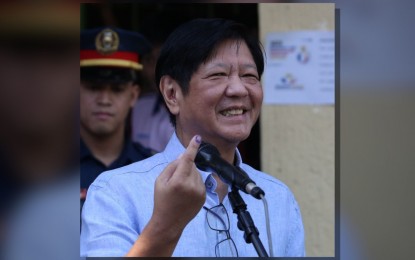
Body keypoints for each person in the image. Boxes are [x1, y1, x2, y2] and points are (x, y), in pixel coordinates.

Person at [81, 18, 305, 257]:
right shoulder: (115, 192)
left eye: (249, 76)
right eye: (218, 74)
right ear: (172, 94)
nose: (239, 89)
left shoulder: (276, 198)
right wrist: (167, 224)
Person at [80, 27, 155, 207]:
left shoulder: (152, 169)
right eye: (93, 87)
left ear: (133, 96)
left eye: (117, 90)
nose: (104, 100)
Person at [131, 41, 175, 152]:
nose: (156, 68)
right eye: (150, 60)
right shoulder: (139, 107)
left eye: (162, 60)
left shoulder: (192, 110)